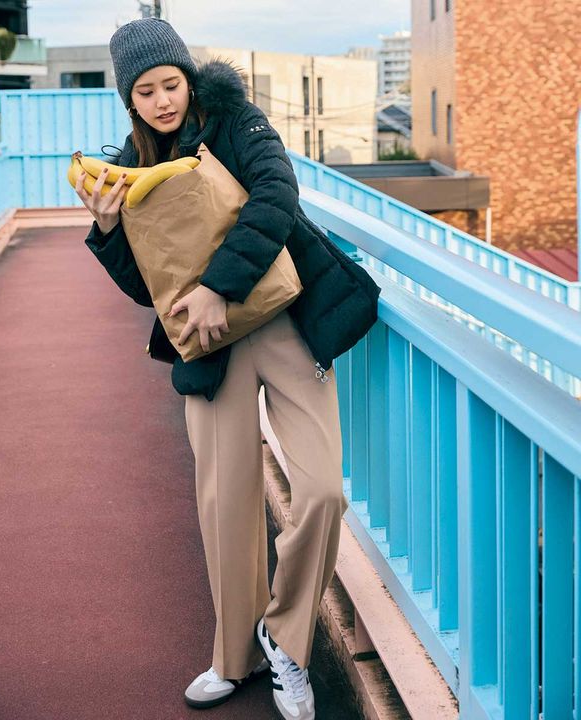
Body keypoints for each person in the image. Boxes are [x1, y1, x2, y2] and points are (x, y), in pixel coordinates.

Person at [76, 18, 380, 720]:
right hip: (209, 348)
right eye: (145, 92)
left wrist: (218, 285)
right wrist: (110, 232)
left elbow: (277, 197)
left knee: (322, 491)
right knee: (226, 508)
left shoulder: (238, 121)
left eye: (170, 84)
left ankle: (284, 638)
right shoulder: (131, 163)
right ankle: (233, 657)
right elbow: (151, 287)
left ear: (188, 78)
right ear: (129, 99)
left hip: (284, 320)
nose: (162, 101)